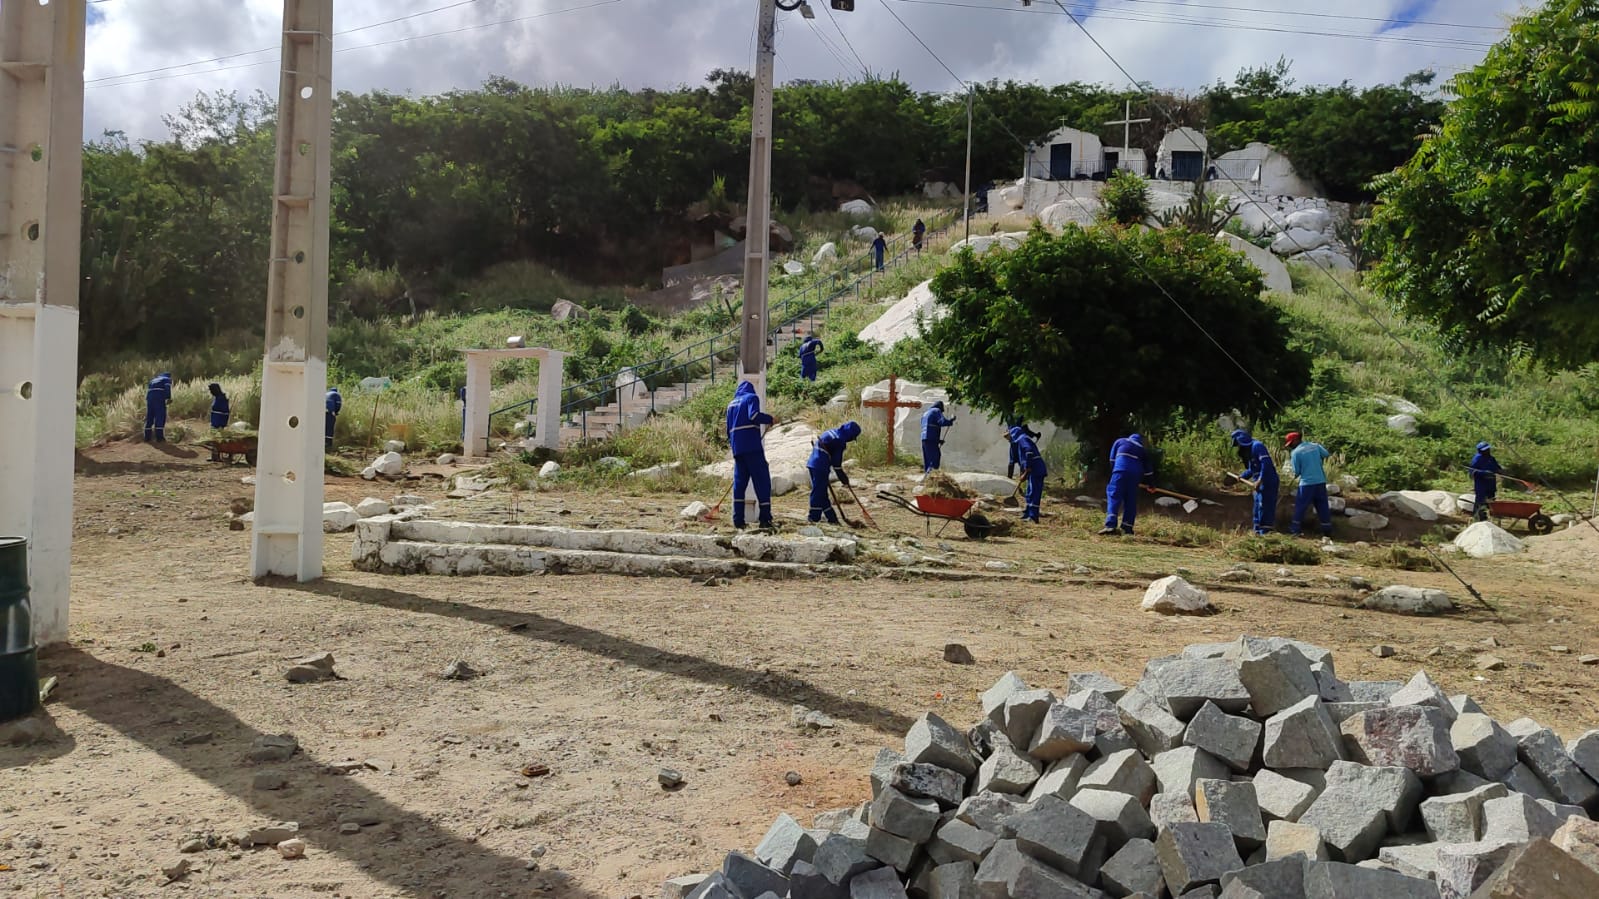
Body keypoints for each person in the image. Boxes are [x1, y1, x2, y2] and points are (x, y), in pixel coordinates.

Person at [725, 380, 776, 530]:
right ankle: (765, 519)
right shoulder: (751, 398)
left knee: (740, 484)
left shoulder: (731, 405)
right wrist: (769, 419)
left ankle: (738, 520)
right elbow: (753, 416)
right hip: (752, 447)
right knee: (762, 481)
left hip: (737, 449)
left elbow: (728, 429)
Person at [806, 421, 862, 524]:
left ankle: (832, 518)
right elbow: (837, 465)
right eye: (852, 438)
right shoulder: (839, 441)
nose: (851, 440)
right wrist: (844, 479)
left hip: (812, 463)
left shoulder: (830, 432)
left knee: (822, 493)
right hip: (821, 466)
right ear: (850, 434)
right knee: (818, 493)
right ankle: (813, 518)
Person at [1100, 433, 1152, 536]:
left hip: (1120, 471)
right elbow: (1149, 471)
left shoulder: (1120, 441)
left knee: (1114, 495)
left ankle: (1110, 526)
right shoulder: (1142, 449)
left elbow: (1112, 460)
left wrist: (1116, 472)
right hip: (1135, 476)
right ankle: (1127, 528)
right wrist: (1151, 485)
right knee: (1130, 500)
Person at [1232, 428, 1279, 534]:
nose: (1239, 448)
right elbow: (1251, 469)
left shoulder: (1257, 446)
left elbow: (1266, 464)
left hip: (1268, 481)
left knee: (1265, 506)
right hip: (1257, 482)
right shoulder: (1249, 452)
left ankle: (1265, 532)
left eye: (1238, 444)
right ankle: (1257, 531)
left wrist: (1260, 480)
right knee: (1257, 506)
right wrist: (1241, 477)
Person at [1286, 431, 1333, 537]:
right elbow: (1326, 454)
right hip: (1320, 481)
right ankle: (1327, 530)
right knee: (1322, 506)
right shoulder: (1315, 446)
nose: (1290, 446)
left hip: (1306, 484)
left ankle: (1295, 529)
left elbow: (1296, 471)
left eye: (1291, 443)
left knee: (1300, 506)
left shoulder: (1295, 453)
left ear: (1296, 440)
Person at [1007, 425, 1047, 523]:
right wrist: (1024, 471)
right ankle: (1028, 513)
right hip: (1032, 469)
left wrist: (1027, 469)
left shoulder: (1022, 439)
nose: (1009, 438)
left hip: (1036, 469)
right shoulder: (1020, 441)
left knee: (1034, 493)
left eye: (1010, 435)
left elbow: (1029, 452)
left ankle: (1033, 517)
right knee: (1029, 492)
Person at [1469, 441, 1502, 522]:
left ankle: (1489, 518)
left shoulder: (1491, 458)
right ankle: (1478, 518)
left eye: (1488, 449)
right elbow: (1472, 472)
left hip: (1491, 484)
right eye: (1485, 450)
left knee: (1491, 501)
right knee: (1480, 502)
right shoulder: (1477, 459)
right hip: (1481, 485)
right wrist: (1484, 473)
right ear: (1480, 451)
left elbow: (1496, 468)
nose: (1487, 451)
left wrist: (1500, 470)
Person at [920, 401, 956, 472]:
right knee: (935, 457)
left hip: (924, 438)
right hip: (931, 438)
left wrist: (938, 440)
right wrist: (951, 420)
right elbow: (942, 421)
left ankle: (927, 475)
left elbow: (928, 426)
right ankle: (933, 474)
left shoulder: (925, 413)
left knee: (927, 458)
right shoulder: (936, 411)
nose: (941, 413)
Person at [143, 371, 172, 442]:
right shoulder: (166, 379)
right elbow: (167, 388)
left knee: (150, 417)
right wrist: (168, 398)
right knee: (160, 416)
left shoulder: (153, 380)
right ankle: (159, 438)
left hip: (149, 399)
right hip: (158, 399)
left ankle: (147, 437)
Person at [324, 387, 343, 452]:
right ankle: (328, 444)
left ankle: (322, 442)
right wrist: (336, 412)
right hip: (330, 412)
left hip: (322, 413)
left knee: (324, 427)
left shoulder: (326, 394)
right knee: (330, 427)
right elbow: (338, 405)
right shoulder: (336, 395)